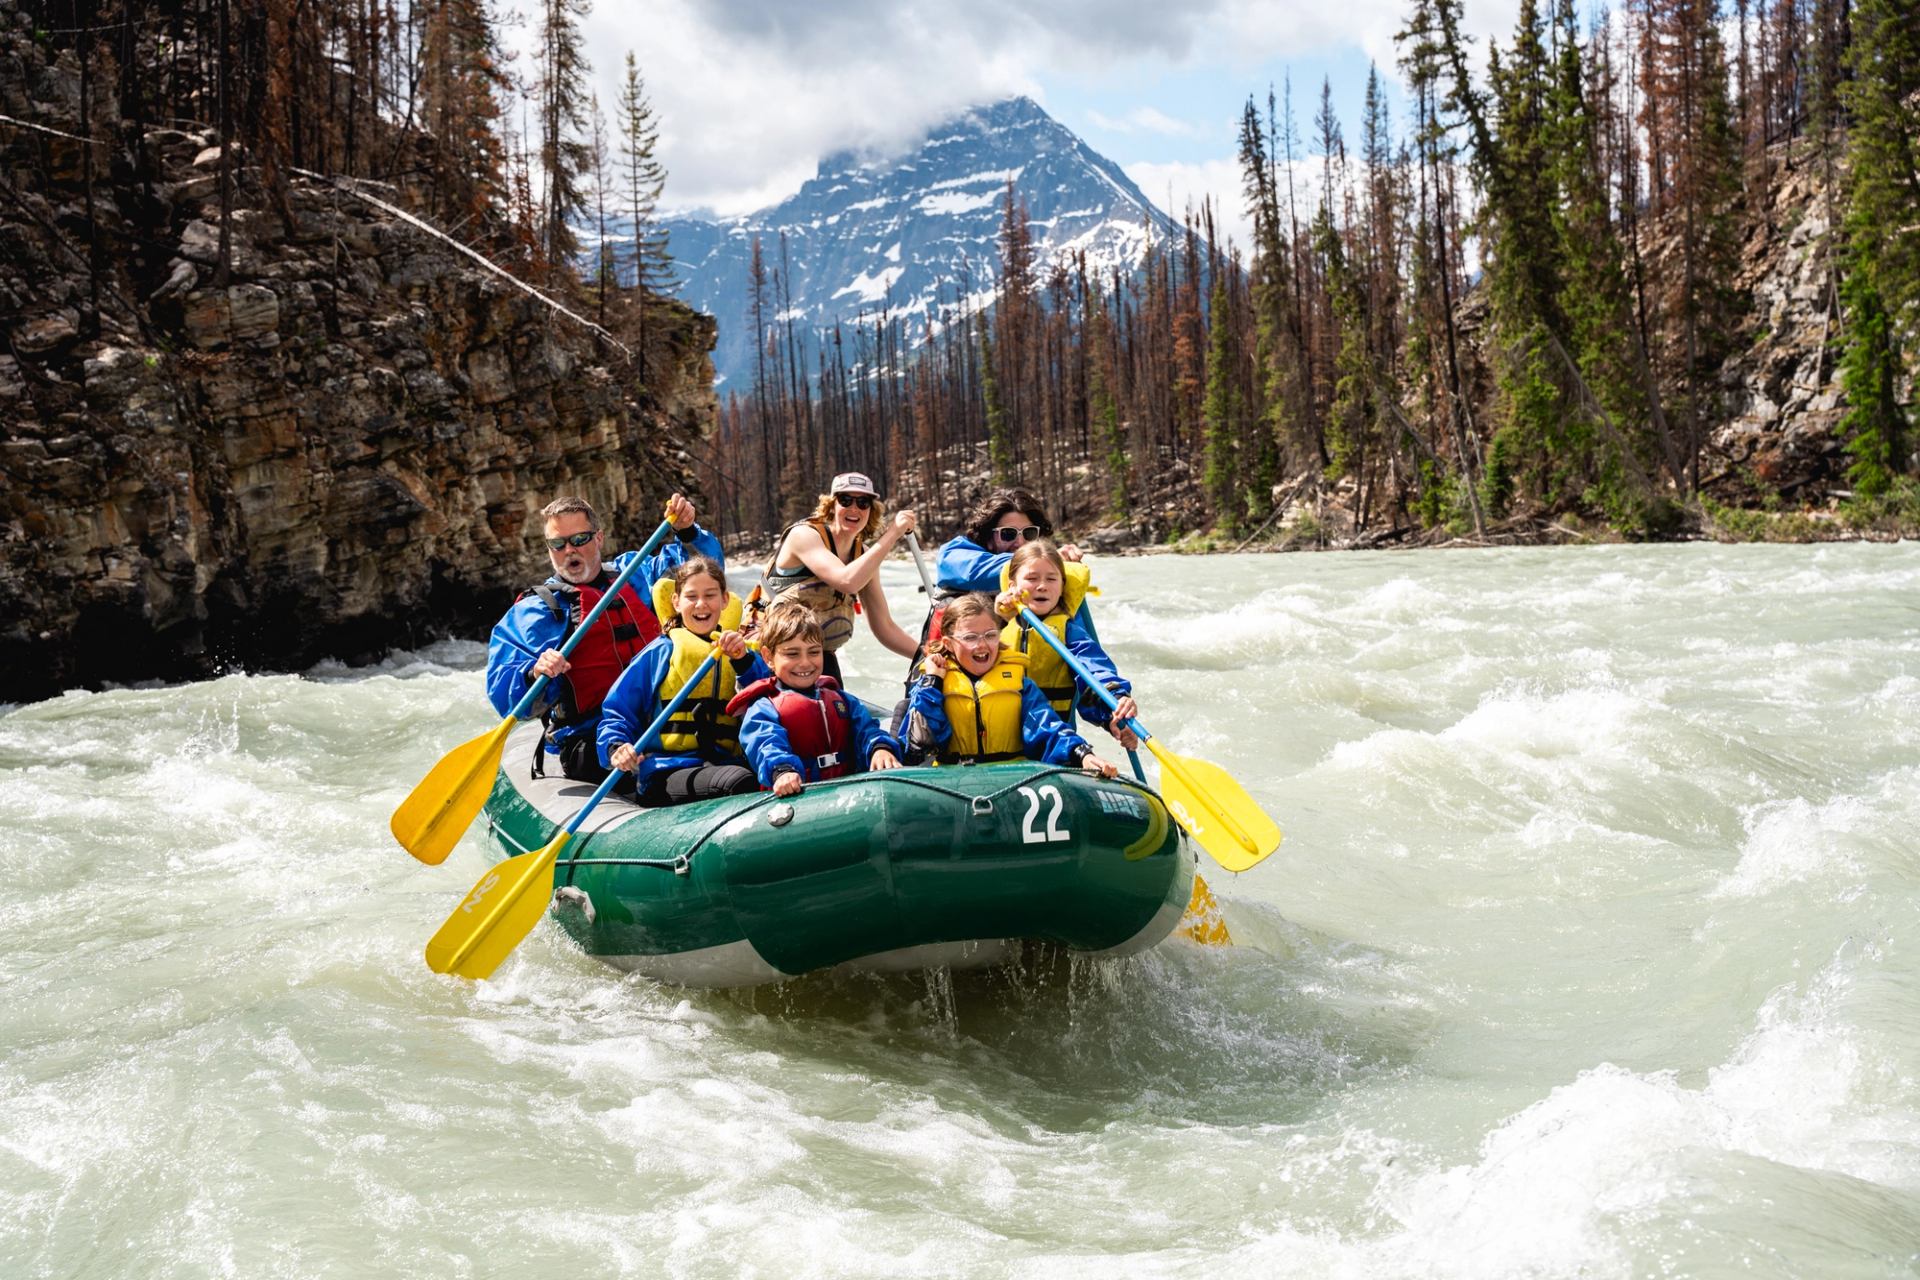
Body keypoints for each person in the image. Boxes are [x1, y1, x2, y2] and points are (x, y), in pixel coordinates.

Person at [487, 493, 722, 781]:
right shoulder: (536, 612)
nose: (569, 550)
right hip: (594, 737)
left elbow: (704, 571)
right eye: (558, 544)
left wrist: (687, 530)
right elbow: (505, 698)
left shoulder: (634, 575)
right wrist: (534, 673)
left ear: (598, 538)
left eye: (579, 539)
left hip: (665, 719)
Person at [597, 557, 769, 806]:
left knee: (758, 775)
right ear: (676, 602)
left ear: (724, 600)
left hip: (724, 763)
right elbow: (618, 711)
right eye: (691, 596)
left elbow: (768, 701)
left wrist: (743, 662)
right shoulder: (660, 652)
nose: (701, 604)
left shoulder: (742, 654)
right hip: (666, 772)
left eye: (710, 595)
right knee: (739, 781)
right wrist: (616, 747)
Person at [905, 593, 1121, 776]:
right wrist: (932, 682)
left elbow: (1048, 728)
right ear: (949, 644)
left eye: (990, 635)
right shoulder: (932, 683)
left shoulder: (1019, 684)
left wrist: (1082, 754)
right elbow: (921, 741)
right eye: (970, 637)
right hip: (953, 779)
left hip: (1011, 779)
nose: (982, 645)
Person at [757, 471, 920, 681]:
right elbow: (847, 582)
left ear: (871, 510)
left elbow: (884, 626)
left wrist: (924, 655)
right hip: (771, 655)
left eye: (863, 502)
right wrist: (893, 534)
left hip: (816, 656)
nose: (854, 508)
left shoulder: (863, 555)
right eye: (845, 500)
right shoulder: (804, 536)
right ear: (832, 505)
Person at [730, 601, 904, 797]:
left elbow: (867, 731)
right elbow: (765, 745)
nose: (805, 663)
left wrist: (879, 749)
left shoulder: (843, 701)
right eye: (792, 654)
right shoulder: (763, 708)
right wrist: (783, 771)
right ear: (768, 657)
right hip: (798, 799)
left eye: (814, 652)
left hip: (850, 794)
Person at [995, 538, 1141, 751]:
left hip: (1053, 743)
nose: (1042, 586)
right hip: (999, 741)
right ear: (1012, 586)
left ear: (1062, 586)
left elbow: (1094, 672)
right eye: (1032, 578)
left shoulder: (1069, 633)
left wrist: (1115, 707)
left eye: (1051, 579)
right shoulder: (995, 628)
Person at [933, 487, 1085, 599]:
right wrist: (1045, 562)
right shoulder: (954, 554)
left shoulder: (1049, 573)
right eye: (1008, 534)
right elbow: (972, 572)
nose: (1020, 542)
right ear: (988, 538)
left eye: (1029, 533)